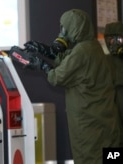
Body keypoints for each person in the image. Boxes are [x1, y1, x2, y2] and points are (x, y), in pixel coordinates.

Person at [24, 9, 122, 164]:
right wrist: (46, 51)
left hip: (89, 126)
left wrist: (41, 65)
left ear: (75, 27)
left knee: (90, 159)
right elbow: (68, 60)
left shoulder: (82, 51)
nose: (63, 32)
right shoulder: (92, 47)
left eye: (65, 27)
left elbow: (57, 77)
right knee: (108, 157)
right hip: (103, 123)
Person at [104, 21, 123, 144]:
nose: (114, 43)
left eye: (119, 39)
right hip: (110, 104)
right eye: (110, 39)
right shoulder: (104, 60)